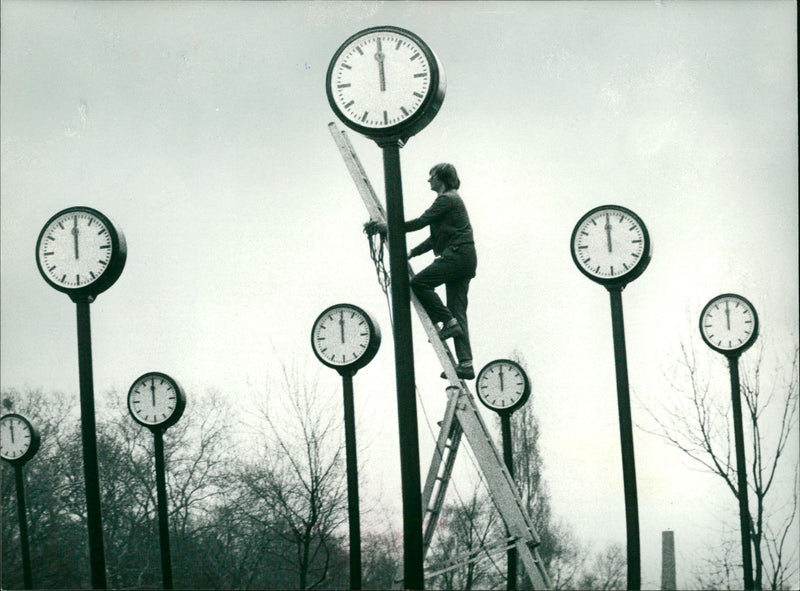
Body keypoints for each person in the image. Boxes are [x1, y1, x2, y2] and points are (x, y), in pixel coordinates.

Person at [366, 163, 477, 379]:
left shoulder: (446, 199)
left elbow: (420, 222)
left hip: (457, 255)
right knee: (458, 308)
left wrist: (388, 226)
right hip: (465, 257)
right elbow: (435, 238)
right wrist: (412, 253)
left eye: (432, 176)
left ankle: (449, 323)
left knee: (419, 283)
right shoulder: (453, 201)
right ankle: (466, 363)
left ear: (441, 178)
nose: (429, 180)